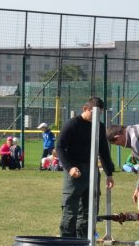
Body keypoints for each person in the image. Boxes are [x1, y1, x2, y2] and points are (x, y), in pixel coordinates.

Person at [56, 97, 115, 238]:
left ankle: (84, 243)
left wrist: (109, 173)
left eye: (99, 114)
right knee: (70, 208)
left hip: (92, 170)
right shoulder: (72, 124)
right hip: (75, 171)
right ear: (85, 109)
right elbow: (59, 147)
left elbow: (104, 151)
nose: (96, 117)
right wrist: (70, 168)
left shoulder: (100, 127)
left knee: (90, 209)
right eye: (94, 113)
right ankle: (67, 242)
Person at [106, 124, 139, 203]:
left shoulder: (135, 142)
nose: (122, 146)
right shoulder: (135, 129)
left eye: (118, 144)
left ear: (117, 137)